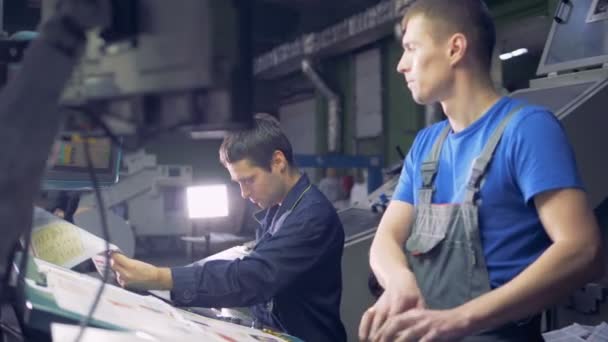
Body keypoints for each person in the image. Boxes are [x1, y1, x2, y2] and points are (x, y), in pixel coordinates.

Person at [358, 0, 604, 341]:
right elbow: (385, 239)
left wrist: (460, 319)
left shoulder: (527, 130)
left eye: (411, 48)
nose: (401, 65)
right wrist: (399, 280)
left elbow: (582, 248)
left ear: (455, 48)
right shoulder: (427, 144)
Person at [111, 113, 347, 342]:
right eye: (238, 183)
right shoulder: (279, 209)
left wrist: (159, 277)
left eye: (249, 180)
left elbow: (253, 278)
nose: (244, 193)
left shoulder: (311, 217)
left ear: (278, 162)